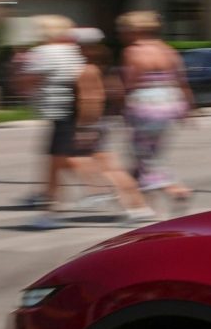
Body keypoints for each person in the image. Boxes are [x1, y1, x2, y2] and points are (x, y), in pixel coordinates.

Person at [31, 34, 152, 229]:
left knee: (104, 167)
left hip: (88, 124)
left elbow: (90, 99)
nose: (74, 50)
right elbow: (115, 94)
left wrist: (85, 128)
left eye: (78, 47)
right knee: (103, 166)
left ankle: (115, 199)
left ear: (86, 49)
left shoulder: (86, 69)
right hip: (97, 123)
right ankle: (137, 207)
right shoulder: (103, 69)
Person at [117, 10, 193, 215]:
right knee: (151, 155)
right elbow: (182, 81)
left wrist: (122, 108)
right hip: (170, 103)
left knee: (144, 156)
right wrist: (188, 109)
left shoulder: (133, 51)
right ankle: (144, 202)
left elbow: (129, 82)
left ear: (136, 30)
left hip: (145, 106)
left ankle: (174, 190)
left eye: (125, 29)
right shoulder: (167, 50)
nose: (122, 33)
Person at [20, 17, 86, 212]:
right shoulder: (74, 51)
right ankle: (50, 194)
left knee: (60, 156)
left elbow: (30, 77)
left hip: (57, 109)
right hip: (73, 106)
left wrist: (26, 84)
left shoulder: (43, 52)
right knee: (56, 154)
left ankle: (102, 188)